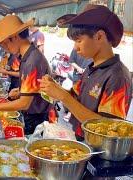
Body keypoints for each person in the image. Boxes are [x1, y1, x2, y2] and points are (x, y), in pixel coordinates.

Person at [39, 4, 132, 140]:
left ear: (99, 36)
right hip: (80, 140)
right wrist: (55, 88)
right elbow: (75, 97)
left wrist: (63, 96)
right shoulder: (91, 67)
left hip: (98, 153)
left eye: (79, 40)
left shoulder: (118, 76)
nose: (75, 48)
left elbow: (107, 129)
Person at [0, 15, 51, 135]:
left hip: (35, 117)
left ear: (14, 37)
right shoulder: (27, 56)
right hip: (32, 114)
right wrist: (20, 90)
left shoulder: (32, 60)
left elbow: (24, 103)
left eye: (5, 44)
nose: (6, 49)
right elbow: (36, 86)